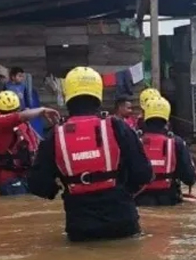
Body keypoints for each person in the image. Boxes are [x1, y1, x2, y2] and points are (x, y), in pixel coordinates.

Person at [27, 66, 153, 242]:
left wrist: (60, 189)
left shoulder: (54, 136)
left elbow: (37, 185)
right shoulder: (118, 127)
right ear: (98, 93)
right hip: (123, 222)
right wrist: (121, 192)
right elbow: (144, 173)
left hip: (80, 228)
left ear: (67, 95)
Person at [0, 91, 59, 196]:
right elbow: (18, 117)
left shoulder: (22, 123)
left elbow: (37, 143)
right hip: (9, 179)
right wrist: (42, 110)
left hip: (25, 175)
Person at [135, 97, 196, 207]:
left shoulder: (134, 140)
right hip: (168, 199)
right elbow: (189, 177)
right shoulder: (177, 142)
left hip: (138, 199)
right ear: (167, 118)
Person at [3, 66, 45, 137]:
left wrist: (28, 107)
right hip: (12, 111)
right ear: (13, 77)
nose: (21, 78)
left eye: (22, 76)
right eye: (19, 76)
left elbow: (26, 97)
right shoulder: (7, 87)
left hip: (22, 110)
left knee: (24, 128)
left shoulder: (23, 86)